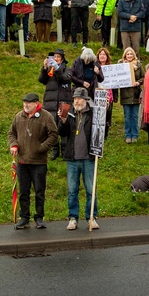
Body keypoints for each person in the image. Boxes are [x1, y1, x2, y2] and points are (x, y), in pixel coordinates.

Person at [9, 92, 59, 230]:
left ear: (36, 103)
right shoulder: (19, 116)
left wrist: (41, 147)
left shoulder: (46, 116)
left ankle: (39, 218)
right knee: (23, 191)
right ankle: (24, 218)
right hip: (22, 162)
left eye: (29, 102)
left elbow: (54, 134)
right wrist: (13, 144)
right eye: (24, 102)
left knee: (39, 191)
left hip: (39, 163)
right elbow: (11, 133)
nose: (25, 105)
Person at [58, 88, 101, 231]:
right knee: (72, 190)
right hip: (72, 158)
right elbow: (62, 133)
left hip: (88, 158)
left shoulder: (93, 113)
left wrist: (104, 112)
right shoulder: (69, 113)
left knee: (90, 190)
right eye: (75, 98)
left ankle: (91, 217)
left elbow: (102, 132)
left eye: (79, 98)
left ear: (86, 100)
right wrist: (63, 121)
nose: (76, 101)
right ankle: (72, 218)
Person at [116, 47, 143, 143]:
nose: (129, 56)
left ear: (134, 55)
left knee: (135, 115)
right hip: (125, 94)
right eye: (128, 54)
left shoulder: (138, 65)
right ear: (125, 56)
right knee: (127, 116)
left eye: (131, 54)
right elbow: (117, 77)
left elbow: (143, 77)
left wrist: (138, 82)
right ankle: (128, 135)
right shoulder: (121, 65)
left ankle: (135, 135)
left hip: (135, 94)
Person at [39, 49, 72, 115]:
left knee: (63, 122)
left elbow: (65, 79)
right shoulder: (49, 69)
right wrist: (44, 68)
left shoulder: (67, 69)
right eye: (55, 57)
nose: (56, 58)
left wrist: (57, 69)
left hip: (63, 101)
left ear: (62, 59)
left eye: (58, 57)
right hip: (50, 102)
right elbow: (42, 80)